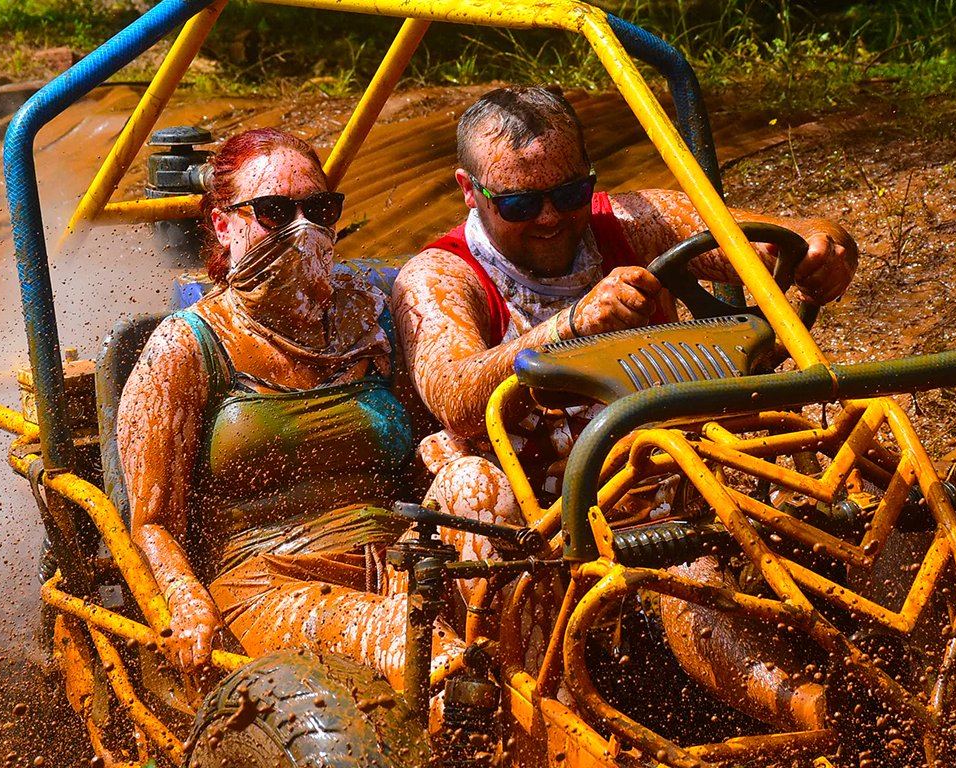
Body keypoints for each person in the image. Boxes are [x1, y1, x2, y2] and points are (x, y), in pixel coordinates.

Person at [392, 86, 858, 729]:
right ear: (469, 190)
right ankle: (538, 717)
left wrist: (823, 245)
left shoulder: (630, 221)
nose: (551, 218)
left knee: (812, 449)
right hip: (542, 527)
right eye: (521, 203)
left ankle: (856, 674)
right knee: (469, 483)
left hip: (671, 486)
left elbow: (770, 240)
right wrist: (570, 325)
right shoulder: (438, 276)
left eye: (570, 194)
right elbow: (454, 393)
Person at [118, 127, 463, 691]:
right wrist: (185, 599)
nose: (304, 230)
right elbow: (153, 523)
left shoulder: (371, 319)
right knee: (425, 651)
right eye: (275, 212)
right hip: (267, 581)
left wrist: (447, 456)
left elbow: (422, 445)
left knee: (517, 580)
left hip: (398, 559)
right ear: (223, 225)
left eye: (319, 210)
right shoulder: (186, 346)